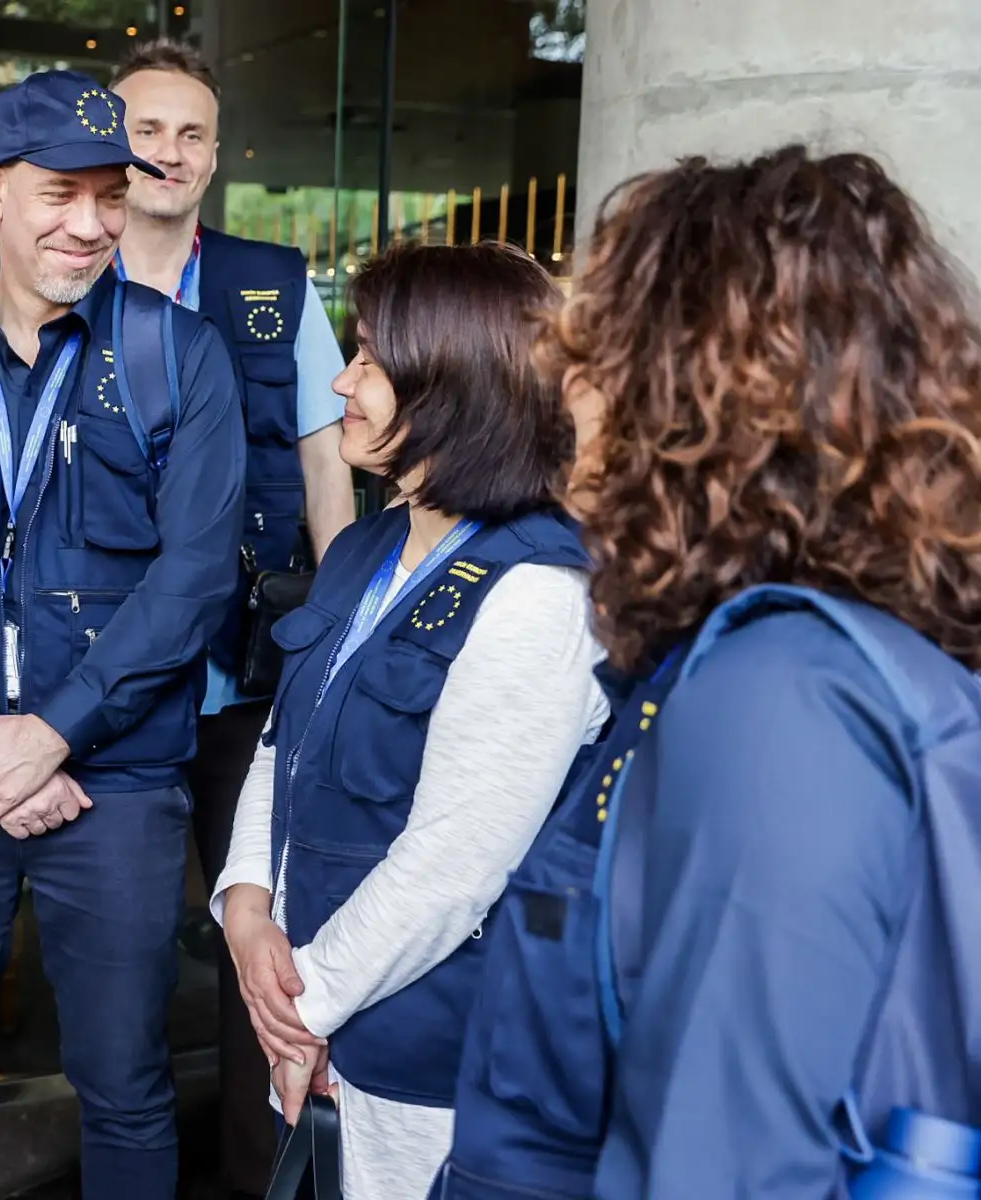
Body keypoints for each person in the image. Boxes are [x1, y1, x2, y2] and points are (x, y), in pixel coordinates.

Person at [443, 146, 981, 1199]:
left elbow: (728, 1170)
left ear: (689, 392)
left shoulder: (780, 698)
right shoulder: (776, 663)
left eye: (598, 355)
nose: (568, 393)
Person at [0, 69, 246, 1200]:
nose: (89, 224)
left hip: (116, 780)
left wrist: (55, 734)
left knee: (124, 1080)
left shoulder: (180, 357)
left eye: (111, 195)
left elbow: (194, 579)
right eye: (60, 194)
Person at [212, 242, 613, 1200]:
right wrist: (246, 910)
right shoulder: (363, 548)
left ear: (454, 387)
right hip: (314, 1016)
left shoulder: (539, 593)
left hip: (427, 1057)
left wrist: (302, 1005)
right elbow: (282, 745)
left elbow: (452, 867)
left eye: (371, 361)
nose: (342, 382)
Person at [109, 42, 357, 1191]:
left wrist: (339, 632)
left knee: (262, 948)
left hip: (243, 683)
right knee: (115, 960)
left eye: (191, 133)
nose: (169, 152)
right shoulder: (65, 271)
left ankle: (260, 1179)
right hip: (105, 690)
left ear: (216, 153)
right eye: (147, 130)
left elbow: (325, 465)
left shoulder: (272, 284)